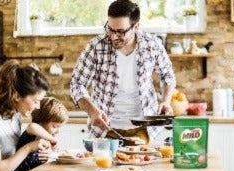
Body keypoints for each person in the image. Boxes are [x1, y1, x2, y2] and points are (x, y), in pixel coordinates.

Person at [70, 0, 176, 145]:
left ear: (136, 26)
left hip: (143, 129)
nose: (113, 36)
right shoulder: (96, 46)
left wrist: (166, 101)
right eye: (110, 29)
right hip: (105, 130)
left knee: (141, 166)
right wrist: (92, 111)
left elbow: (167, 76)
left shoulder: (152, 45)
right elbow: (77, 84)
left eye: (120, 31)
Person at [4, 97, 69, 171]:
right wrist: (53, 140)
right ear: (41, 122)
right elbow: (32, 126)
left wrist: (50, 155)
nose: (57, 131)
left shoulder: (45, 138)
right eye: (55, 126)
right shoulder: (33, 134)